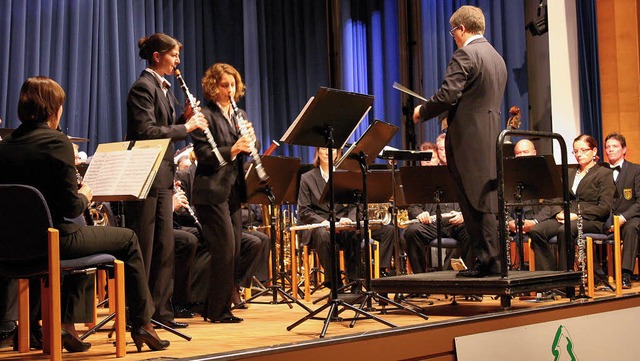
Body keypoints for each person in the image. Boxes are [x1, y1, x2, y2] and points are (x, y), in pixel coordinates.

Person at [0, 76, 169, 352]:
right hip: (53, 242)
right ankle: (142, 324)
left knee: (82, 234)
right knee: (127, 239)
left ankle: (61, 327)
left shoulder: (4, 147)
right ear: (53, 109)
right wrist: (86, 194)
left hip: (10, 249)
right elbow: (70, 207)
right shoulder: (56, 143)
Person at [413, 5, 507, 277]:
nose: (453, 36)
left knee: (471, 202)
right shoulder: (496, 57)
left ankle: (486, 263)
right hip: (489, 138)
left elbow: (447, 95)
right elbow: (471, 98)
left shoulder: (465, 54)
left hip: (467, 141)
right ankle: (492, 261)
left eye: (453, 30)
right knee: (485, 202)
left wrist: (424, 111)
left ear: (462, 28)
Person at [125, 33, 206, 329]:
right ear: (157, 56)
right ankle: (141, 316)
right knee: (146, 249)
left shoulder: (164, 89)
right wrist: (186, 126)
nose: (178, 61)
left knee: (164, 247)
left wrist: (183, 116)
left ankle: (162, 314)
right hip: (145, 176)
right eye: (173, 55)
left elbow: (164, 125)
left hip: (162, 175)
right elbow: (146, 131)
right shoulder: (142, 88)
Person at [191, 62, 255, 323]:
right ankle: (218, 310)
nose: (230, 90)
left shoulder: (238, 115)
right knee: (224, 250)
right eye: (224, 85)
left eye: (233, 85)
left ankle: (212, 307)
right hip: (210, 192)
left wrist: (251, 142)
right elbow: (205, 155)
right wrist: (235, 148)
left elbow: (248, 145)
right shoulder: (204, 116)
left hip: (233, 191)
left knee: (235, 249)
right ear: (212, 87)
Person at [528, 134, 616, 271]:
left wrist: (577, 214)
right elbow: (556, 198)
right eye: (575, 151)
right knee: (536, 231)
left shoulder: (604, 173)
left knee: (565, 230)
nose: (579, 154)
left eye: (583, 150)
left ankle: (566, 276)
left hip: (591, 219)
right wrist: (558, 213)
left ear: (594, 151)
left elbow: (604, 207)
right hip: (566, 217)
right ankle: (548, 276)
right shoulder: (569, 173)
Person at [297, 147, 359, 288]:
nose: (327, 152)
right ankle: (334, 283)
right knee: (324, 235)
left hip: (343, 223)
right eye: (324, 148)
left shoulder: (345, 175)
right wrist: (324, 222)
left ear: (338, 152)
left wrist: (348, 219)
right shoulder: (307, 178)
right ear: (317, 151)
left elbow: (354, 205)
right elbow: (304, 211)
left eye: (332, 149)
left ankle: (355, 282)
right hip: (319, 226)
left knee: (354, 233)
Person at [603, 133, 640, 288]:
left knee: (632, 228)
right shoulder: (600, 170)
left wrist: (623, 218)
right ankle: (598, 273)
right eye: (608, 147)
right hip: (606, 218)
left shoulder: (635, 170)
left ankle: (626, 274)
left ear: (624, 149)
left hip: (629, 217)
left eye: (615, 146)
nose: (610, 150)